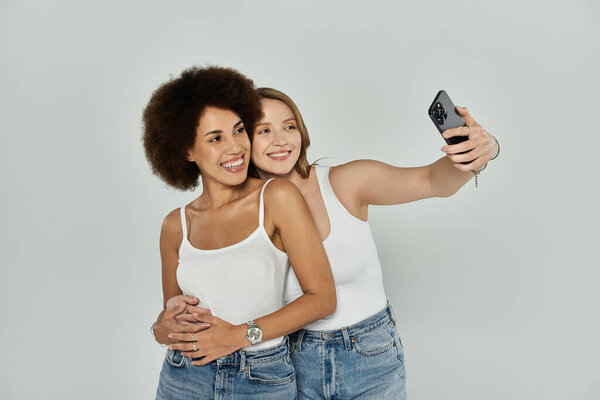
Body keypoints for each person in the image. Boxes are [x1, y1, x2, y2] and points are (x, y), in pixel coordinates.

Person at [169, 86, 500, 399]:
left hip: (368, 354)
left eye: (289, 126)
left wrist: (484, 150)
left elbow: (431, 180)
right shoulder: (235, 216)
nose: (281, 140)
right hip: (288, 359)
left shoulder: (344, 182)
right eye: (264, 130)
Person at [144, 68, 336, 400]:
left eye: (239, 131)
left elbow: (322, 299)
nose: (235, 148)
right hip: (184, 375)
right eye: (216, 138)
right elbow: (173, 312)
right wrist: (161, 327)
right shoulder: (175, 225)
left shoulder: (276, 197)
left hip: (260, 378)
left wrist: (240, 335)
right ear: (187, 150)